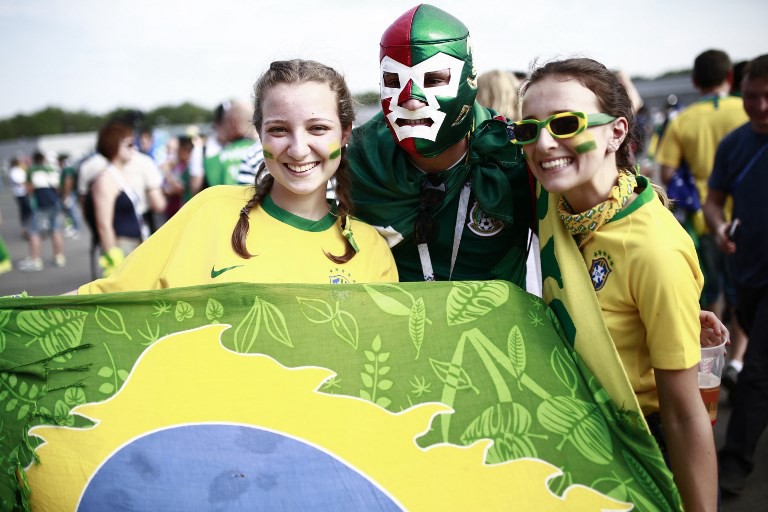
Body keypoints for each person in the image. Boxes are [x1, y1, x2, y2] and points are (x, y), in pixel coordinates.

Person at [515, 57, 717, 511]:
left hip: (637, 453)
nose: (543, 143)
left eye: (565, 123)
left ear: (617, 132)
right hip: (570, 446)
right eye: (528, 129)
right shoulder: (555, 200)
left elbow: (684, 415)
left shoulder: (655, 250)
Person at [75, 59, 397, 294]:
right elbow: (102, 299)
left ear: (344, 134)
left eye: (318, 128)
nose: (298, 149)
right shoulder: (209, 211)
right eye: (279, 130)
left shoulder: (371, 249)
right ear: (259, 134)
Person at [347, 4, 531, 285]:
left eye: (433, 80)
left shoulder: (513, 153)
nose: (411, 101)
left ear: (469, 80)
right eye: (394, 80)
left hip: (497, 312)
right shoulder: (357, 160)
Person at [703, 53, 768, 496]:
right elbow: (713, 202)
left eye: (767, 97)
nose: (759, 106)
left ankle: (733, 464)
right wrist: (719, 225)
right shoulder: (734, 144)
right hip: (745, 275)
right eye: (751, 96)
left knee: (757, 371)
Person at [656, 50, 747, 316]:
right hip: (748, 212)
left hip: (704, 215)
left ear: (695, 81)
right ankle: (741, 342)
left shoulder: (682, 120)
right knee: (743, 288)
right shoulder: (749, 110)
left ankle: (715, 336)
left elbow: (668, 173)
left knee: (711, 288)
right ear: (729, 76)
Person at [82, 121, 167, 277]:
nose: (134, 148)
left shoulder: (117, 176)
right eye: (129, 144)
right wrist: (113, 262)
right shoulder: (105, 180)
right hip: (121, 245)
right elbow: (104, 225)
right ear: (114, 145)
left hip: (134, 242)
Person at [19, 151, 66, 272]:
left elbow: (29, 188)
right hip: (54, 202)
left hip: (40, 204)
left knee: (34, 231)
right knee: (55, 230)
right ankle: (59, 257)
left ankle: (36, 260)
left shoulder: (32, 170)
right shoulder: (51, 169)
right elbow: (59, 186)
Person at [8, 157, 31, 238]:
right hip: (20, 193)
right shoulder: (13, 171)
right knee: (25, 211)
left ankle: (28, 228)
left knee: (28, 211)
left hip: (24, 192)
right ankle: (25, 229)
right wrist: (27, 185)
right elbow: (19, 181)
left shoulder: (19, 169)